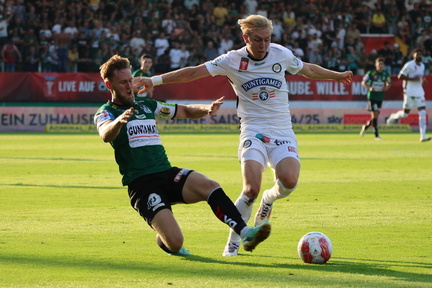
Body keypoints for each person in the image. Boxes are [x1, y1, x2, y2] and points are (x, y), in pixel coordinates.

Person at [132, 14, 353, 257]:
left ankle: (269, 200)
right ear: (245, 37)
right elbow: (193, 73)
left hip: (282, 130)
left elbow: (308, 69)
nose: (264, 45)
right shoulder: (232, 60)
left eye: (268, 39)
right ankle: (234, 244)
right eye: (258, 40)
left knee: (289, 181)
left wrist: (337, 74)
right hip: (253, 130)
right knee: (250, 189)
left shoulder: (282, 54)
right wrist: (154, 80)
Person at [94, 55, 271, 256]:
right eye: (123, 82)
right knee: (176, 243)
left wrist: (206, 109)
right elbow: (105, 133)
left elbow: (184, 111)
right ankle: (164, 236)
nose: (129, 86)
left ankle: (246, 232)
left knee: (210, 186)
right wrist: (119, 121)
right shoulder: (106, 112)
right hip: (142, 186)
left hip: (167, 174)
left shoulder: (148, 106)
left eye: (130, 81)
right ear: (109, 85)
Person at [386, 49, 431, 142]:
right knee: (405, 114)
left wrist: (422, 81)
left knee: (422, 113)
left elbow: (419, 79)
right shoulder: (409, 65)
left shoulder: (422, 66)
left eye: (420, 54)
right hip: (409, 93)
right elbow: (400, 76)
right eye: (417, 54)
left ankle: (423, 136)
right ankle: (393, 117)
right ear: (413, 55)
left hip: (419, 92)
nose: (419, 56)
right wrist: (412, 79)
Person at [360, 57, 391, 140]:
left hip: (380, 96)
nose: (380, 66)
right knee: (375, 114)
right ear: (375, 65)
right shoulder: (371, 73)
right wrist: (369, 87)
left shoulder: (385, 74)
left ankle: (366, 127)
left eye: (382, 64)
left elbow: (389, 82)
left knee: (375, 116)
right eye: (379, 64)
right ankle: (376, 135)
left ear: (384, 65)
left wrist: (387, 87)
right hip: (372, 96)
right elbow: (363, 82)